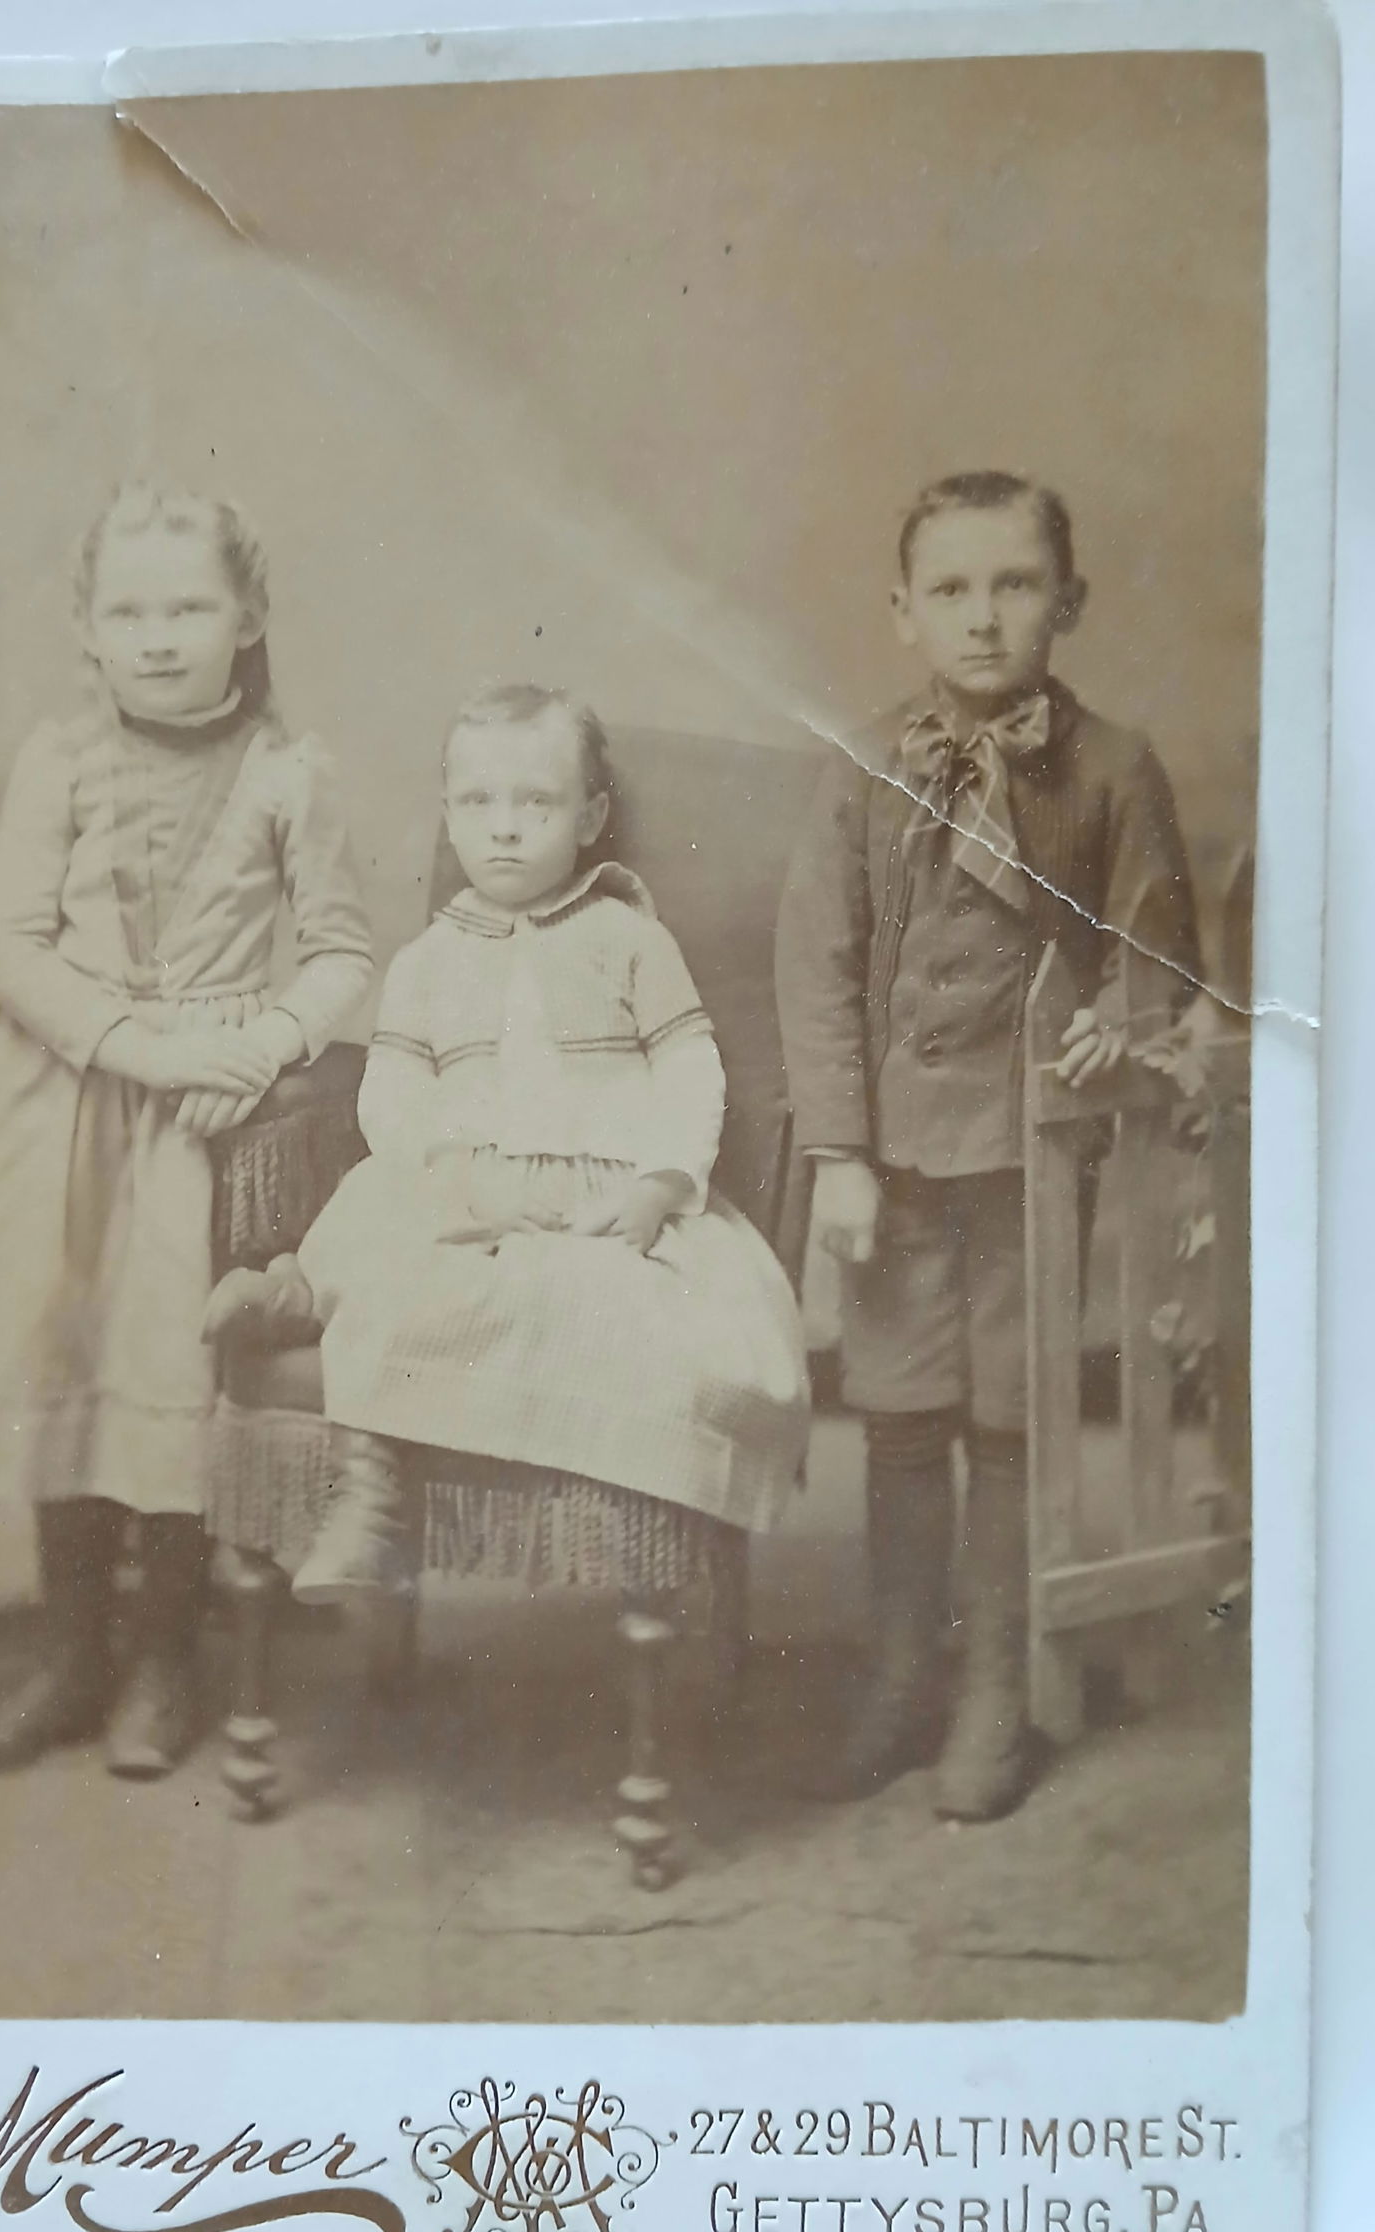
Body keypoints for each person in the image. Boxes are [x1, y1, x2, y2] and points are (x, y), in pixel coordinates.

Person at [0, 484, 374, 1778]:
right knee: (65, 1356)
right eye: (129, 609)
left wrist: (268, 1043)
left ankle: (166, 1652)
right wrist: (131, 1042)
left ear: (249, 614)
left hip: (196, 1120)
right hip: (62, 1093)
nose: (159, 634)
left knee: (169, 1378)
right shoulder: (58, 757)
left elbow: (340, 950)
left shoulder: (293, 768)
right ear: (87, 625)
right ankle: (74, 1650)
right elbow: (12, 944)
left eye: (189, 605)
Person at [775, 471, 1203, 1822]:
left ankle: (995, 1691)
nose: (983, 616)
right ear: (903, 612)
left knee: (1009, 1416)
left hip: (1031, 1160)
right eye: (950, 589)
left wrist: (1115, 1029)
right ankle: (905, 1671)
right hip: (896, 1162)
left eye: (1015, 584)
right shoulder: (861, 767)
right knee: (898, 1412)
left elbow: (1159, 953)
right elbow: (818, 966)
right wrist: (840, 1149)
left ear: (1066, 600)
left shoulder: (1115, 765)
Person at [206, 683, 810, 1586]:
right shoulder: (429, 962)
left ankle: (328, 1326)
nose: (506, 827)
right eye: (479, 802)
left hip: (596, 1191)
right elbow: (395, 1084)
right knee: (388, 1242)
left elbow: (691, 1070)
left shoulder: (631, 939)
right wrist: (431, 1168)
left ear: (591, 815)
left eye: (537, 802)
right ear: (449, 814)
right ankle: (357, 1457)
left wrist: (661, 1183)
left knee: (593, 1299)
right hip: (463, 1182)